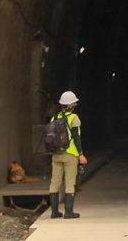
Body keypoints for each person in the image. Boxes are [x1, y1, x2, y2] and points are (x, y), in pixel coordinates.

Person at [49, 91, 88, 219]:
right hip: (70, 154)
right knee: (70, 182)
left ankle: (54, 212)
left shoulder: (55, 118)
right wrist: (81, 154)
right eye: (75, 103)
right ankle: (69, 212)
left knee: (55, 182)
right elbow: (77, 138)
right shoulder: (74, 118)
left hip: (56, 154)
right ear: (71, 105)